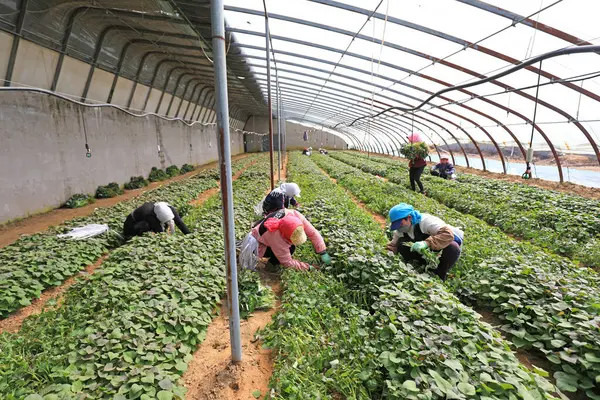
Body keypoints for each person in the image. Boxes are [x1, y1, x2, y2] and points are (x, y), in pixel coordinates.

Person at [385, 203, 464, 281]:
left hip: (447, 240)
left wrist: (426, 243)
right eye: (396, 225)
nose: (399, 227)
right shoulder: (402, 228)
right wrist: (390, 252)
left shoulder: (426, 222)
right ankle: (420, 266)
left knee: (452, 248)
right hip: (428, 242)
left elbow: (447, 234)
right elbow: (393, 244)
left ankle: (439, 274)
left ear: (409, 218)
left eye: (400, 224)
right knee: (402, 243)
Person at [252, 209, 330, 271]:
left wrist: (322, 251)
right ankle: (271, 265)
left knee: (291, 247)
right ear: (284, 236)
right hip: (258, 241)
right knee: (289, 250)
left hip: (264, 227)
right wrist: (308, 268)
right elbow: (287, 262)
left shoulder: (296, 216)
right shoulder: (276, 237)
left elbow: (313, 233)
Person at [123, 201, 190, 239]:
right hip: (132, 225)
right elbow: (159, 231)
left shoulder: (169, 208)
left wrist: (189, 235)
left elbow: (180, 223)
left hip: (150, 219)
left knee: (165, 226)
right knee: (146, 225)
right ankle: (136, 238)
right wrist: (169, 239)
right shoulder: (149, 214)